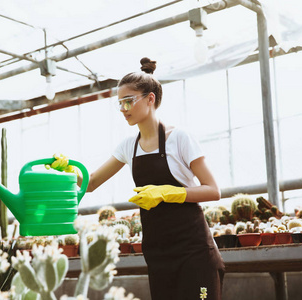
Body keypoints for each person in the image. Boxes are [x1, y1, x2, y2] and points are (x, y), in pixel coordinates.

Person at [54, 57, 225, 300]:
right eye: (120, 103)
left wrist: (169, 192)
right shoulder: (128, 146)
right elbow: (90, 183)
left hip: (193, 252)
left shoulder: (180, 139)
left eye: (128, 101)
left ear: (150, 99)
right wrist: (68, 170)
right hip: (158, 253)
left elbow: (213, 190)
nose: (123, 109)